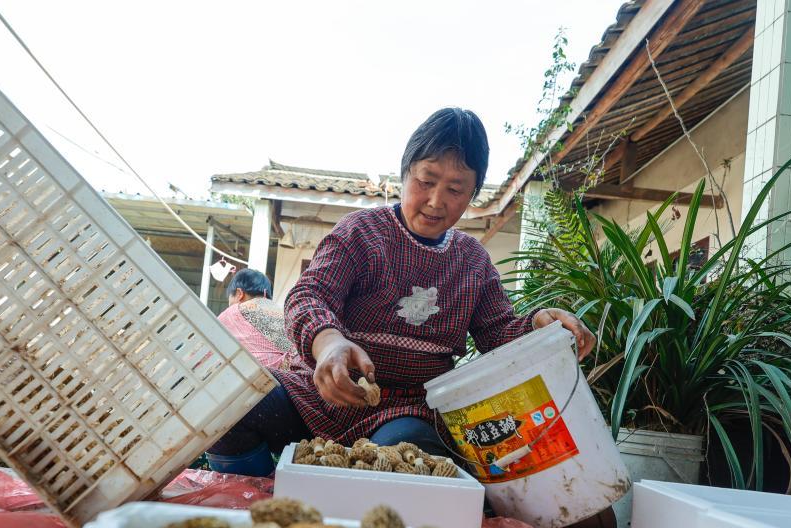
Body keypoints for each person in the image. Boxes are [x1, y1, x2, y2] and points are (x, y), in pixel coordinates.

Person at [206, 107, 594, 480]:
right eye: (425, 181)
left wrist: (539, 324)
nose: (436, 200)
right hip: (318, 394)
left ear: (473, 193)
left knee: (405, 461)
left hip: (407, 413)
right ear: (405, 172)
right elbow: (310, 295)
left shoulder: (472, 262)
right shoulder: (361, 232)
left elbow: (499, 333)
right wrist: (329, 344)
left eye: (456, 189)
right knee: (230, 407)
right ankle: (258, 506)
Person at [217, 269, 292, 370]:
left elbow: (208, 341)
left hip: (250, 375)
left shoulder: (235, 311)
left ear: (239, 293)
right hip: (287, 378)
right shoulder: (284, 313)